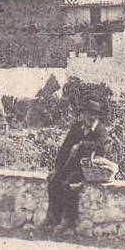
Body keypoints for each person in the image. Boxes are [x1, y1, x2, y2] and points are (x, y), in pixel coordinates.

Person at [41, 99, 107, 233]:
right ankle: (53, 218)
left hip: (89, 168)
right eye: (89, 114)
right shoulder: (77, 127)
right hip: (73, 165)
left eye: (95, 114)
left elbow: (101, 148)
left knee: (69, 183)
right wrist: (57, 168)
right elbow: (64, 149)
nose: (92, 117)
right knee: (54, 181)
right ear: (83, 114)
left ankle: (68, 219)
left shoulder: (101, 130)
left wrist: (82, 144)